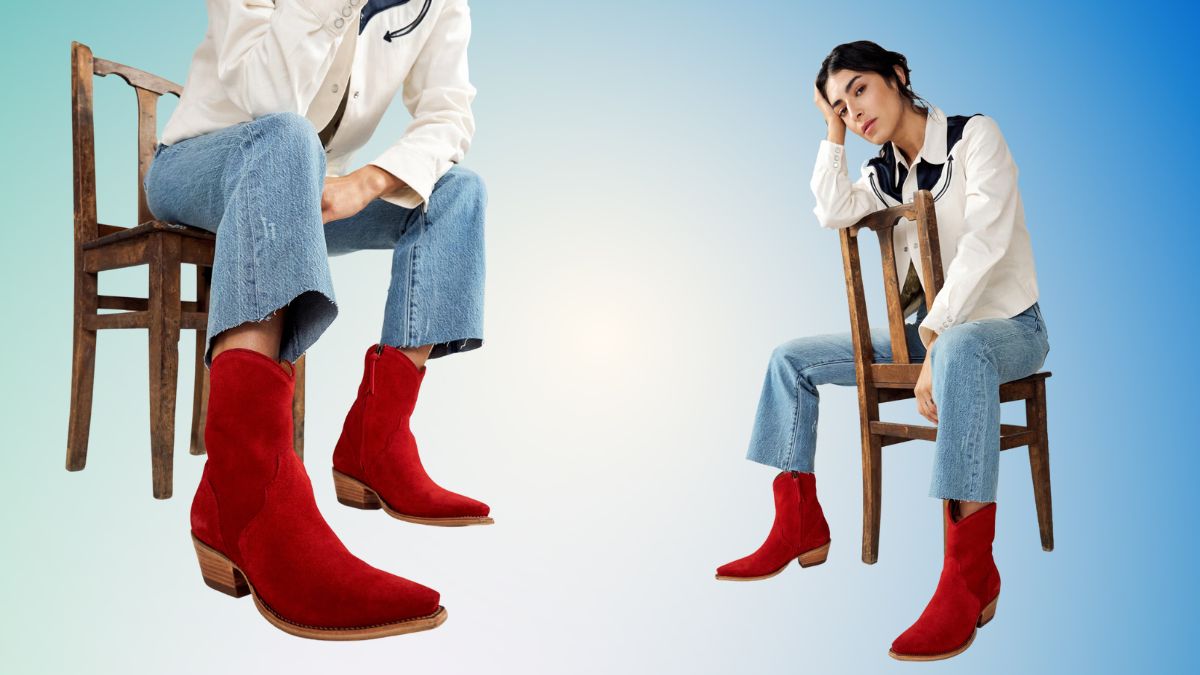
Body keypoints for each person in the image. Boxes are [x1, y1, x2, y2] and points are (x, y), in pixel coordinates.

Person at [144, 0, 489, 640]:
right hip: (199, 164)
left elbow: (449, 115)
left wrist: (370, 180)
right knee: (287, 137)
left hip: (306, 177)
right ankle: (248, 491)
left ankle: (376, 447)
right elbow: (266, 98)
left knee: (457, 192)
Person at [713, 41, 1049, 661]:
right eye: (841, 105)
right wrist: (832, 133)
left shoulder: (975, 138)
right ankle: (798, 525)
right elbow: (831, 210)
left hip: (1007, 328)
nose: (855, 111)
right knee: (790, 360)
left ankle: (969, 575)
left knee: (964, 348)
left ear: (897, 75)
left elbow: (988, 243)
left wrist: (937, 337)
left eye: (860, 91)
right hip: (929, 335)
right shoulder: (883, 173)